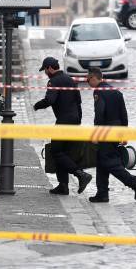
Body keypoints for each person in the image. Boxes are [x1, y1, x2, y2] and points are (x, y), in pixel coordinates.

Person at [33, 57, 92, 195]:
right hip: (75, 120)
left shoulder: (53, 81)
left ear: (49, 68)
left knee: (56, 151)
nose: (45, 73)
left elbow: (50, 100)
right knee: (64, 153)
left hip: (63, 122)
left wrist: (37, 105)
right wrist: (78, 121)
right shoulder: (70, 79)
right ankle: (63, 186)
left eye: (45, 70)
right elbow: (78, 101)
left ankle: (80, 175)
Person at [86, 68, 136, 202]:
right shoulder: (116, 92)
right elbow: (124, 114)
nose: (87, 82)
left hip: (106, 132)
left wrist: (96, 134)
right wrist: (124, 133)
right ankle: (102, 193)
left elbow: (99, 114)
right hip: (117, 131)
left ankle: (134, 182)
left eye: (88, 79)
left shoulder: (98, 92)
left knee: (110, 162)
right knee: (101, 161)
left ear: (94, 78)